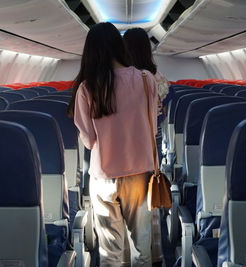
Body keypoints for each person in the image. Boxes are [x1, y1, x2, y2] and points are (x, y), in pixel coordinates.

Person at [68, 22, 158, 267]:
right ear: (120, 47)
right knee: (142, 246)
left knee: (110, 252)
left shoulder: (87, 88)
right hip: (139, 173)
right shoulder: (145, 78)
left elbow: (89, 140)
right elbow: (153, 127)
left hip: (104, 175)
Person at [123, 27, 167, 265]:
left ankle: (127, 256)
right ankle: (153, 252)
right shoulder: (155, 77)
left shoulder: (120, 77)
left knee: (126, 206)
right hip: (150, 141)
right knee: (148, 198)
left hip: (124, 141)